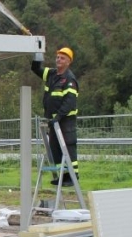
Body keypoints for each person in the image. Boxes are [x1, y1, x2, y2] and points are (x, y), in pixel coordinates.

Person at [31, 47, 79, 186]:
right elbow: (36, 69)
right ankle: (62, 176)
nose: (59, 59)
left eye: (62, 58)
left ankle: (72, 176)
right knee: (55, 148)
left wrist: (58, 117)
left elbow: (69, 102)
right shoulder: (52, 74)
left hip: (65, 121)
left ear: (68, 62)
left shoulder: (69, 80)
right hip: (53, 121)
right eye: (58, 57)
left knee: (68, 147)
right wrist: (36, 54)